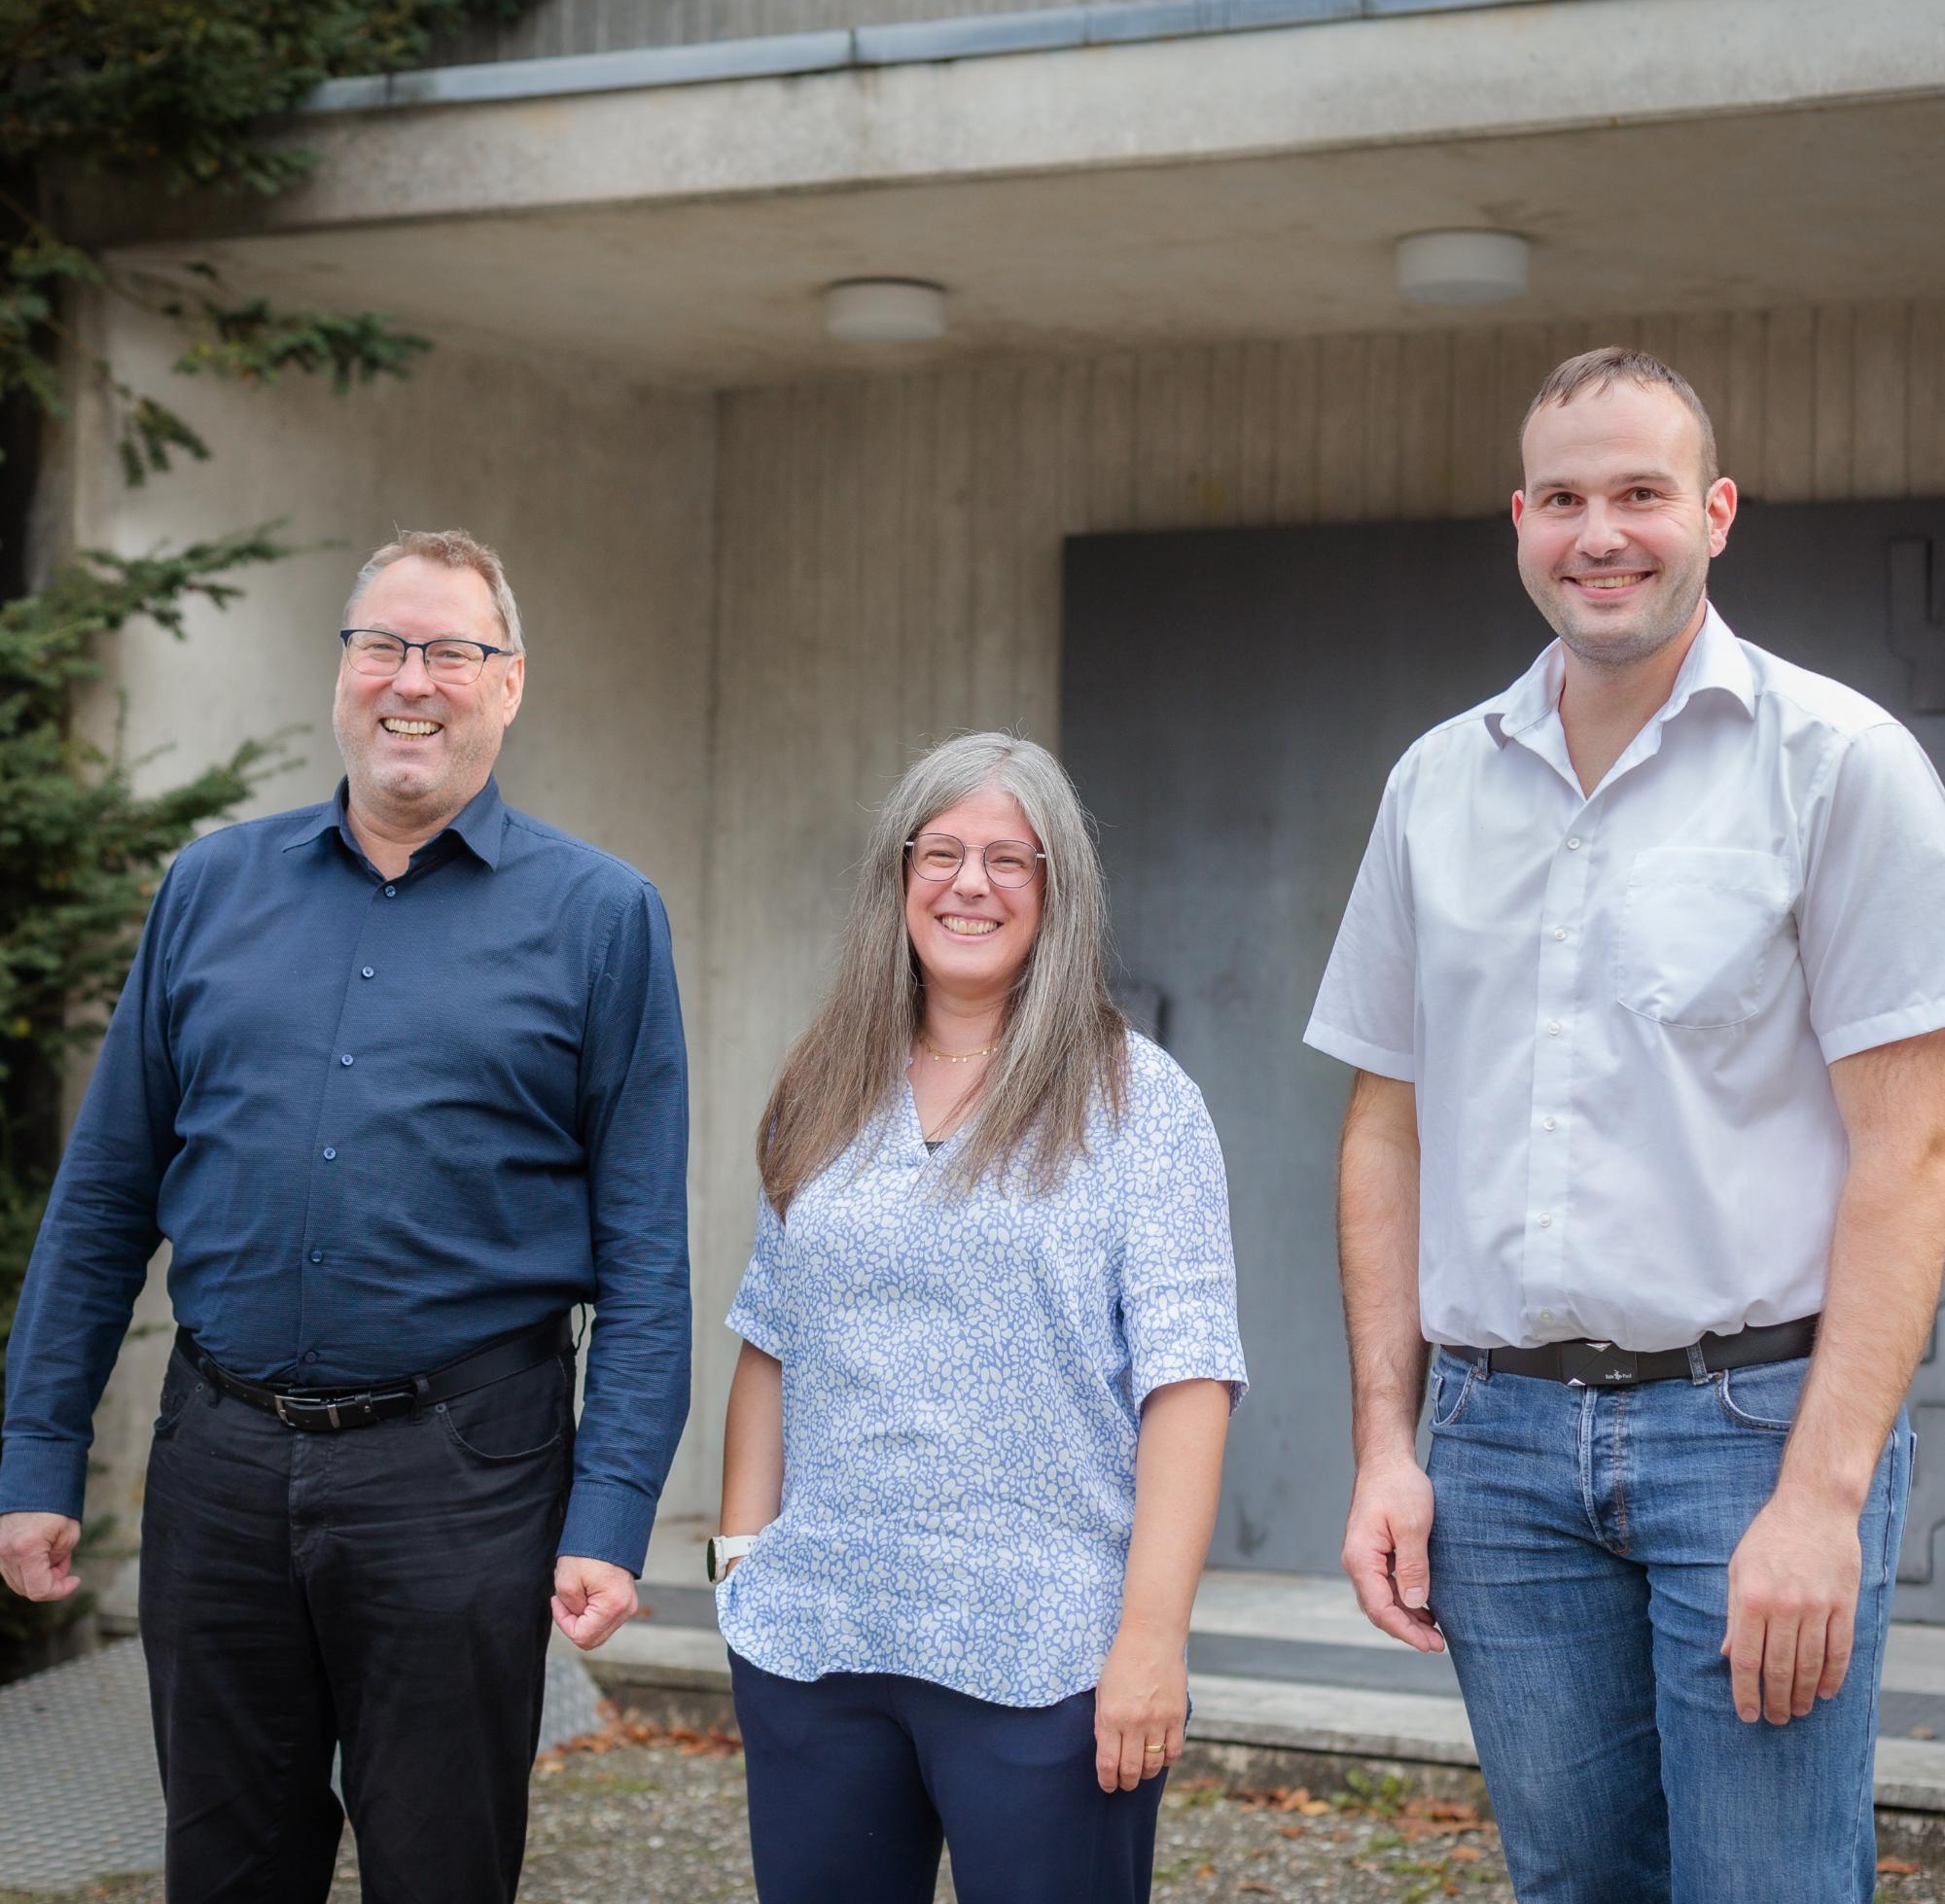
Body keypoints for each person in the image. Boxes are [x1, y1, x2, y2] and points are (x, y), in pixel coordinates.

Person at [1305, 348, 1945, 1901]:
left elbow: (1911, 1151)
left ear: (1715, 513)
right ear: (1520, 520)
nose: (1603, 533)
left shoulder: (1841, 767)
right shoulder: (1433, 785)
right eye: (1566, 498)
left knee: (1767, 1888)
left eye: (1641, 494)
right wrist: (1387, 1442)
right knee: (1573, 1887)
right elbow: (1382, 1130)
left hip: (1746, 1437)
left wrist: (1820, 1497)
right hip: (1497, 1451)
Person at [0, 529, 690, 1904]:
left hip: (463, 1479)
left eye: (451, 651)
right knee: (226, 1860)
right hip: (220, 1465)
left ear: (510, 684)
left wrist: (609, 1513)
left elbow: (647, 1258)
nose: (410, 682)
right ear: (342, 672)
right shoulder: (211, 889)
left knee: (441, 1865)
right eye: (382, 645)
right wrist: (35, 1453)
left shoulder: (602, 916)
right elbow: (103, 1199)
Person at [710, 731, 1246, 1904]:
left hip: (1048, 1662)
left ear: (1058, 891)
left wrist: (1151, 1636)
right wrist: (737, 1571)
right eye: (940, 851)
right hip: (817, 1647)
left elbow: (1189, 1381)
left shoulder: (1136, 1100)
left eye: (1011, 858)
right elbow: (768, 1335)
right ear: (896, 878)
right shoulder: (822, 1086)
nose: (969, 883)